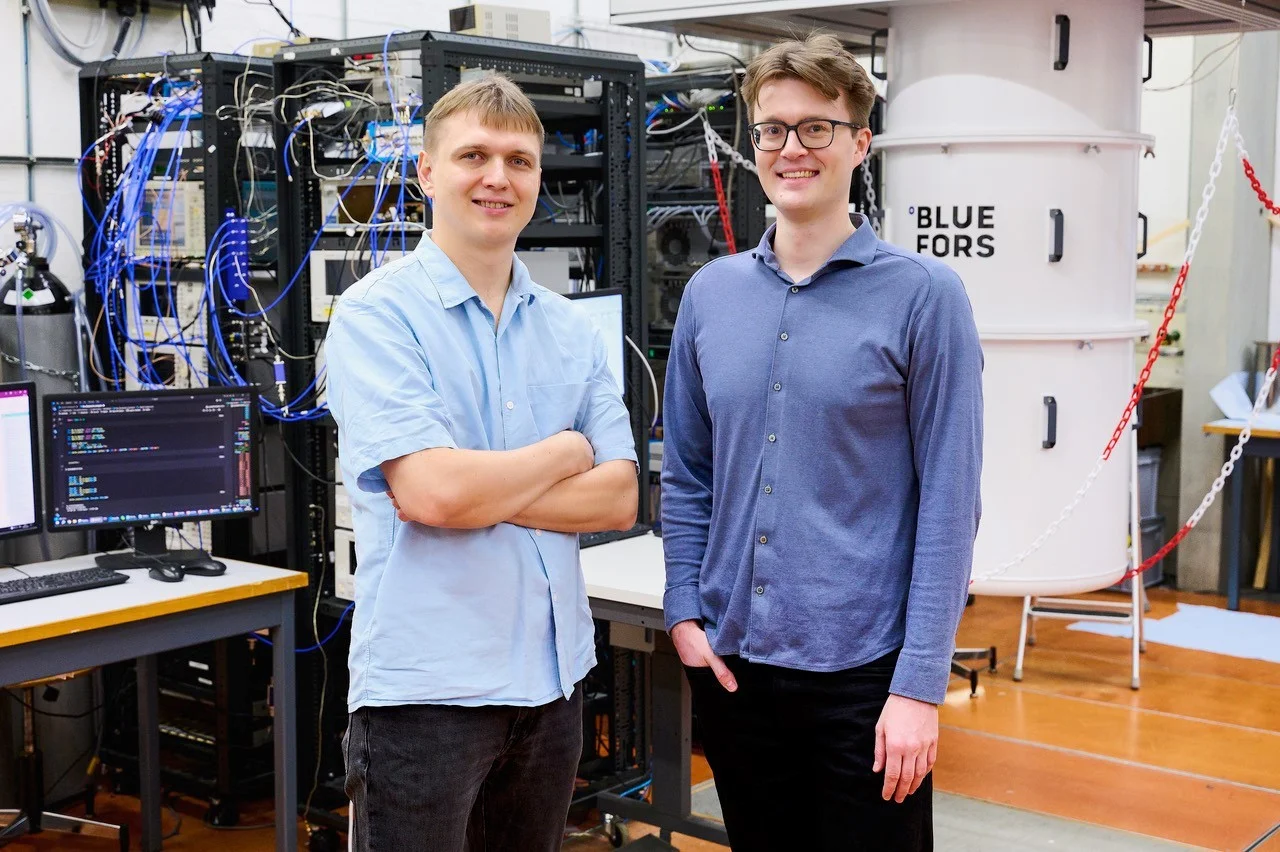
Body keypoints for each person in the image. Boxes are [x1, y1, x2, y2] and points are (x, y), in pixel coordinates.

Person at [660, 33, 984, 851]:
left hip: (865, 680)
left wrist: (919, 688)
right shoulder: (710, 296)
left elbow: (950, 502)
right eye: (772, 128)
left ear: (858, 143)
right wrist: (683, 611)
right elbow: (690, 472)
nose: (791, 148)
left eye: (816, 128)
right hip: (737, 671)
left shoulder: (923, 297)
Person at [324, 74, 639, 852]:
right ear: (428, 172)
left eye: (519, 160)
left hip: (552, 685)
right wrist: (566, 453)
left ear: (538, 180)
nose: (498, 177)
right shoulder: (375, 316)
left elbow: (619, 500)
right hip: (425, 697)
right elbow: (430, 494)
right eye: (474, 155)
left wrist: (479, 490)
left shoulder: (571, 332)